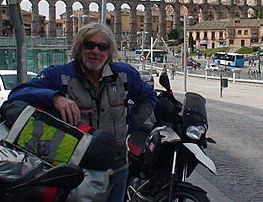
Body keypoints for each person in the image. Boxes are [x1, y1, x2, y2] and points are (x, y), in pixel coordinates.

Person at [8, 22, 157, 202]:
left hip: (117, 165)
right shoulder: (59, 75)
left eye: (103, 47)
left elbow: (149, 97)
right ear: (79, 47)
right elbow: (18, 93)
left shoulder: (124, 75)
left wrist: (131, 126)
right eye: (89, 45)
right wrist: (55, 98)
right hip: (78, 169)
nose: (96, 51)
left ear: (110, 52)